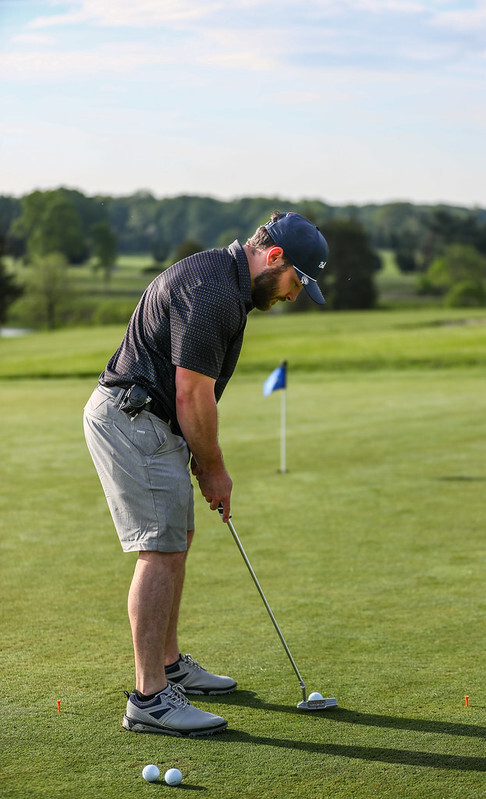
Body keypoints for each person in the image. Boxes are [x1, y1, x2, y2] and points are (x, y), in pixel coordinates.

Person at [83, 211, 328, 737]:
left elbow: (193, 395)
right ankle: (150, 698)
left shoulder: (227, 282)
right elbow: (192, 393)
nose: (293, 296)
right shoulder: (214, 290)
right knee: (161, 548)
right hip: (134, 418)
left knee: (178, 538)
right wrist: (214, 469)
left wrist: (200, 453)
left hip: (153, 419)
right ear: (275, 257)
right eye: (296, 282)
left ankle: (169, 665)